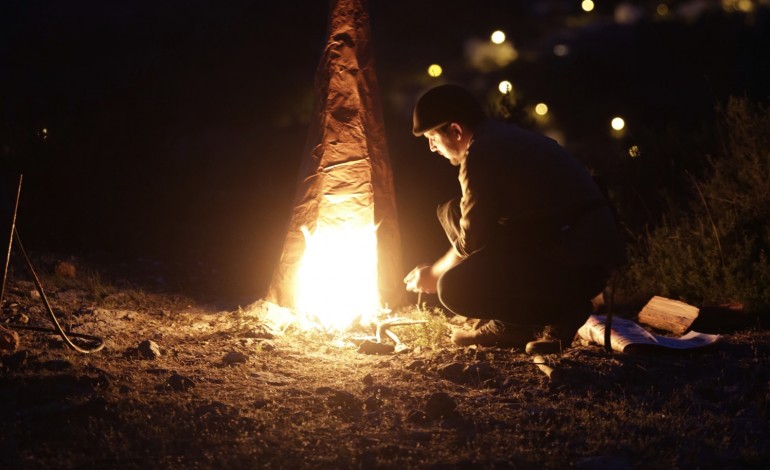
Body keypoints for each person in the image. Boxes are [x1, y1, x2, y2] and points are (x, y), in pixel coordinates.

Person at [404, 84, 625, 350]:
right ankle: (513, 322)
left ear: (455, 130)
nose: (431, 147)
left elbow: (471, 241)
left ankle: (554, 313)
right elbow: (478, 227)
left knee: (452, 289)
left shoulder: (481, 154)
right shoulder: (500, 137)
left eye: (432, 138)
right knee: (451, 212)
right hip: (577, 247)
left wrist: (433, 274)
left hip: (578, 261)